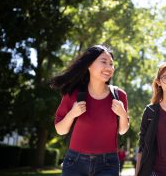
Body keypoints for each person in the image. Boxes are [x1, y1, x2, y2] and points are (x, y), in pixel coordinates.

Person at [49, 45, 129, 176]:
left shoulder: (119, 96)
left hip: (108, 164)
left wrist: (123, 114)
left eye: (111, 64)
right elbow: (60, 130)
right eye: (104, 62)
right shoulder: (73, 94)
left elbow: (123, 130)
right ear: (89, 65)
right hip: (74, 163)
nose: (109, 68)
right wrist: (72, 114)